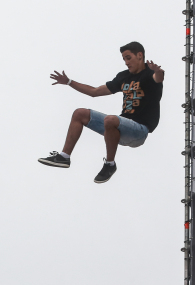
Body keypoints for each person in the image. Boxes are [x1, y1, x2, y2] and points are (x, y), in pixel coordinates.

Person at [37, 41, 164, 184]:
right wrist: (69, 82)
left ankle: (109, 165)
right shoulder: (123, 77)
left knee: (110, 120)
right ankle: (64, 157)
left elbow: (158, 78)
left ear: (139, 55)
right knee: (79, 113)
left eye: (128, 58)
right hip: (120, 129)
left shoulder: (150, 73)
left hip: (140, 130)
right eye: (124, 59)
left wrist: (157, 71)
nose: (126, 62)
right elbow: (94, 92)